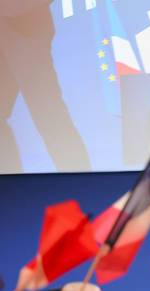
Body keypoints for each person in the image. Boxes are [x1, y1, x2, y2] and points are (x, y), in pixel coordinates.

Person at [0, 0, 92, 173]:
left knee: (48, 113)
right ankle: (11, 183)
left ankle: (79, 182)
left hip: (25, 26)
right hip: (6, 24)